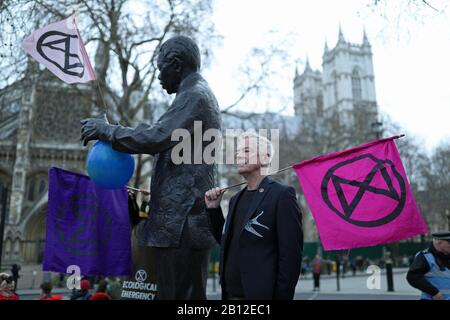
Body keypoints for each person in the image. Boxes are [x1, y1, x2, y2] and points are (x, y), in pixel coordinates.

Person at [80, 36, 221, 299]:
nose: (158, 77)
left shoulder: (195, 96)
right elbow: (158, 134)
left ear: (176, 65)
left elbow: (157, 136)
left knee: (179, 296)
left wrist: (108, 131)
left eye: (160, 69)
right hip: (181, 221)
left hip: (183, 223)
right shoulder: (192, 95)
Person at [205, 132, 303, 300]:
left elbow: (291, 257)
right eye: (237, 152)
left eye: (246, 150)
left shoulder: (282, 195)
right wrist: (214, 210)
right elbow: (227, 243)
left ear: (265, 158)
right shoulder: (236, 198)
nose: (239, 155)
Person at [407, 232, 450, 300]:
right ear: (440, 243)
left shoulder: (447, 255)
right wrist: (434, 293)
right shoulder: (425, 257)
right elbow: (412, 277)